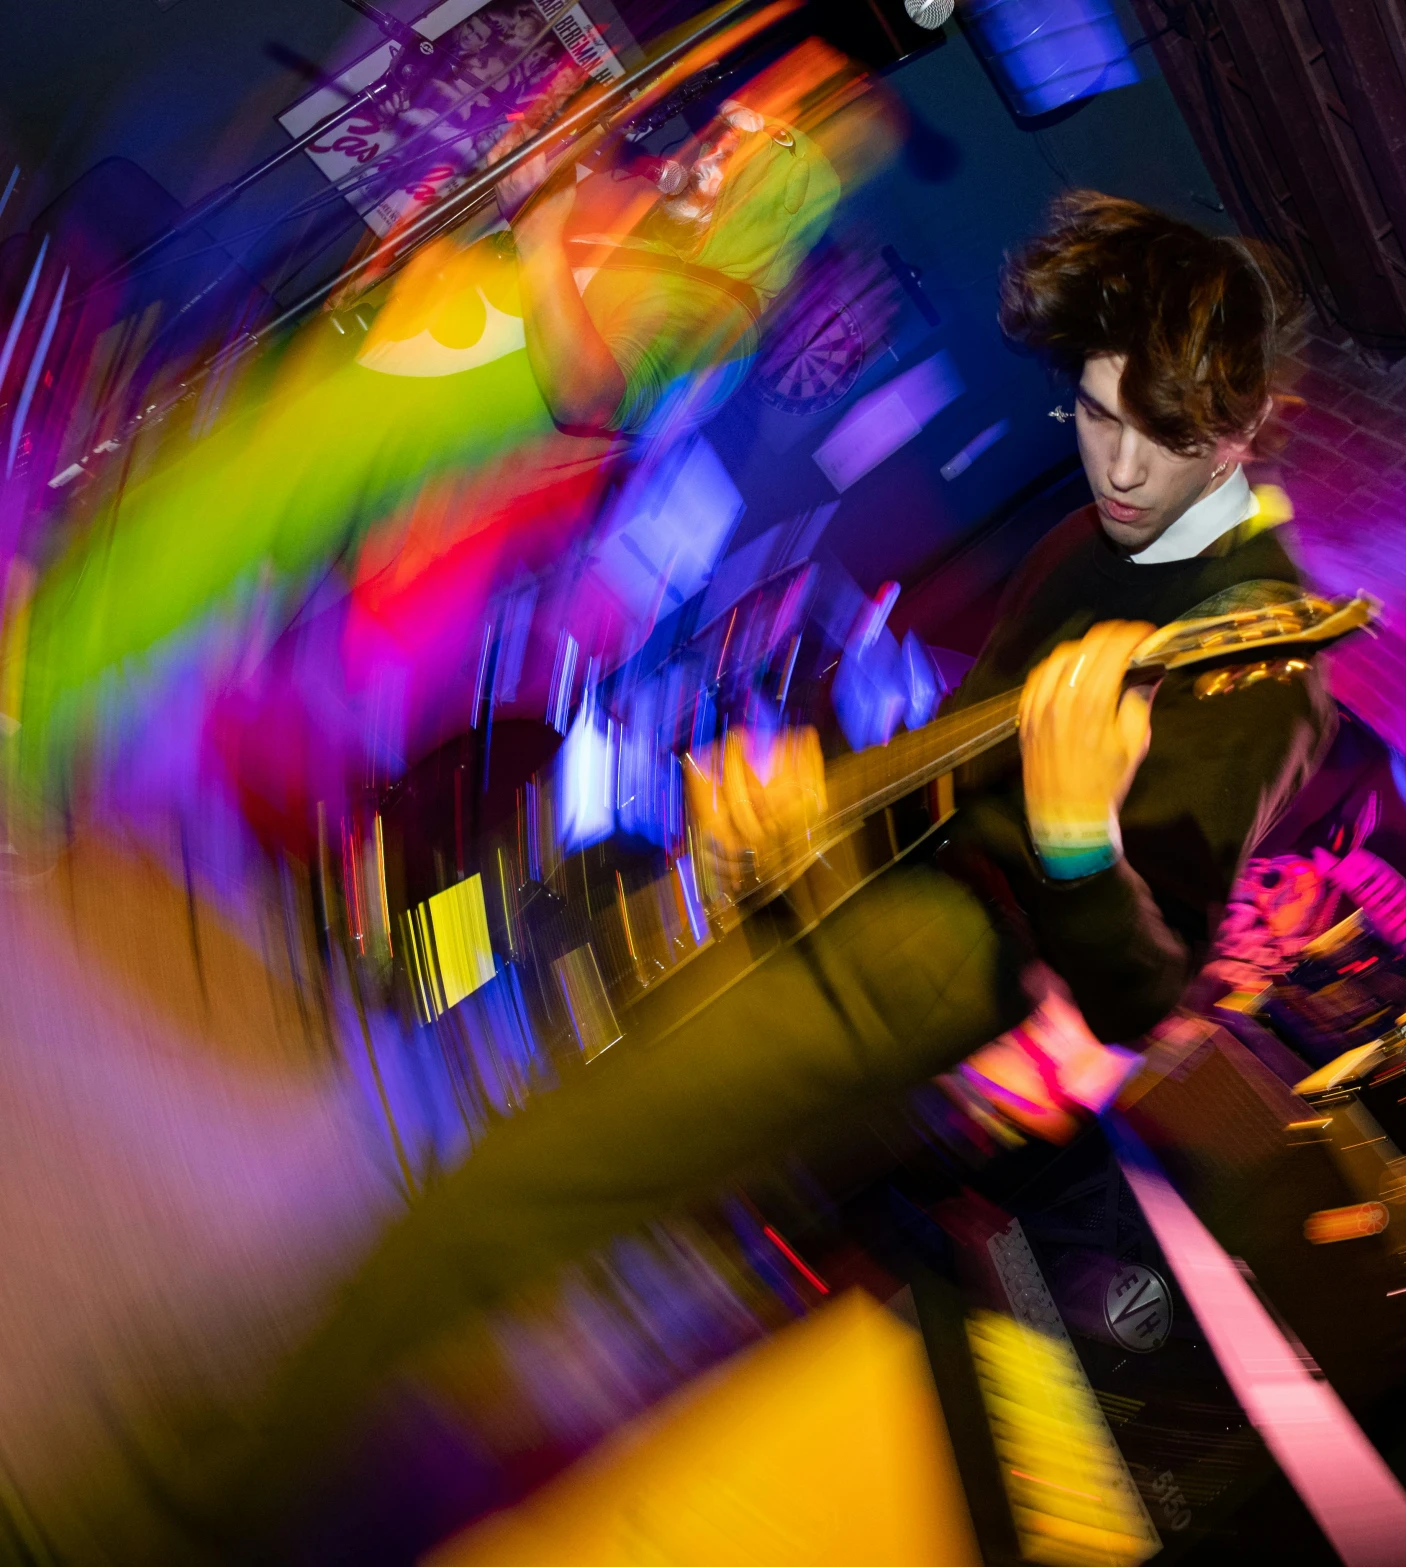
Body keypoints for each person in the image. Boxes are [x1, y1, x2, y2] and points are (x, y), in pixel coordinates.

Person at [145, 189, 1331, 1557]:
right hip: (848, 895)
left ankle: (203, 1502)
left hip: (923, 970)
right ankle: (274, 1449)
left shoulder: (1263, 671)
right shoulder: (1089, 545)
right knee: (543, 1173)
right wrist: (802, 789)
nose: (1115, 466)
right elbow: (961, 755)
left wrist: (1074, 836)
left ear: (1247, 431)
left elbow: (1140, 986)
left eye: (1158, 438)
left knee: (508, 1189)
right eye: (1095, 412)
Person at [2, 45, 857, 826]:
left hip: (398, 425)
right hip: (362, 372)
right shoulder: (652, 205)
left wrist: (542, 233)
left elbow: (592, 387)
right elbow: (559, 193)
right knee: (182, 497)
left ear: (775, 199)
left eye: (759, 141)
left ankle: (36, 718)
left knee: (208, 536)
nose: (726, 138)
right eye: (739, 123)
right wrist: (557, 149)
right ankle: (39, 662)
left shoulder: (712, 305)